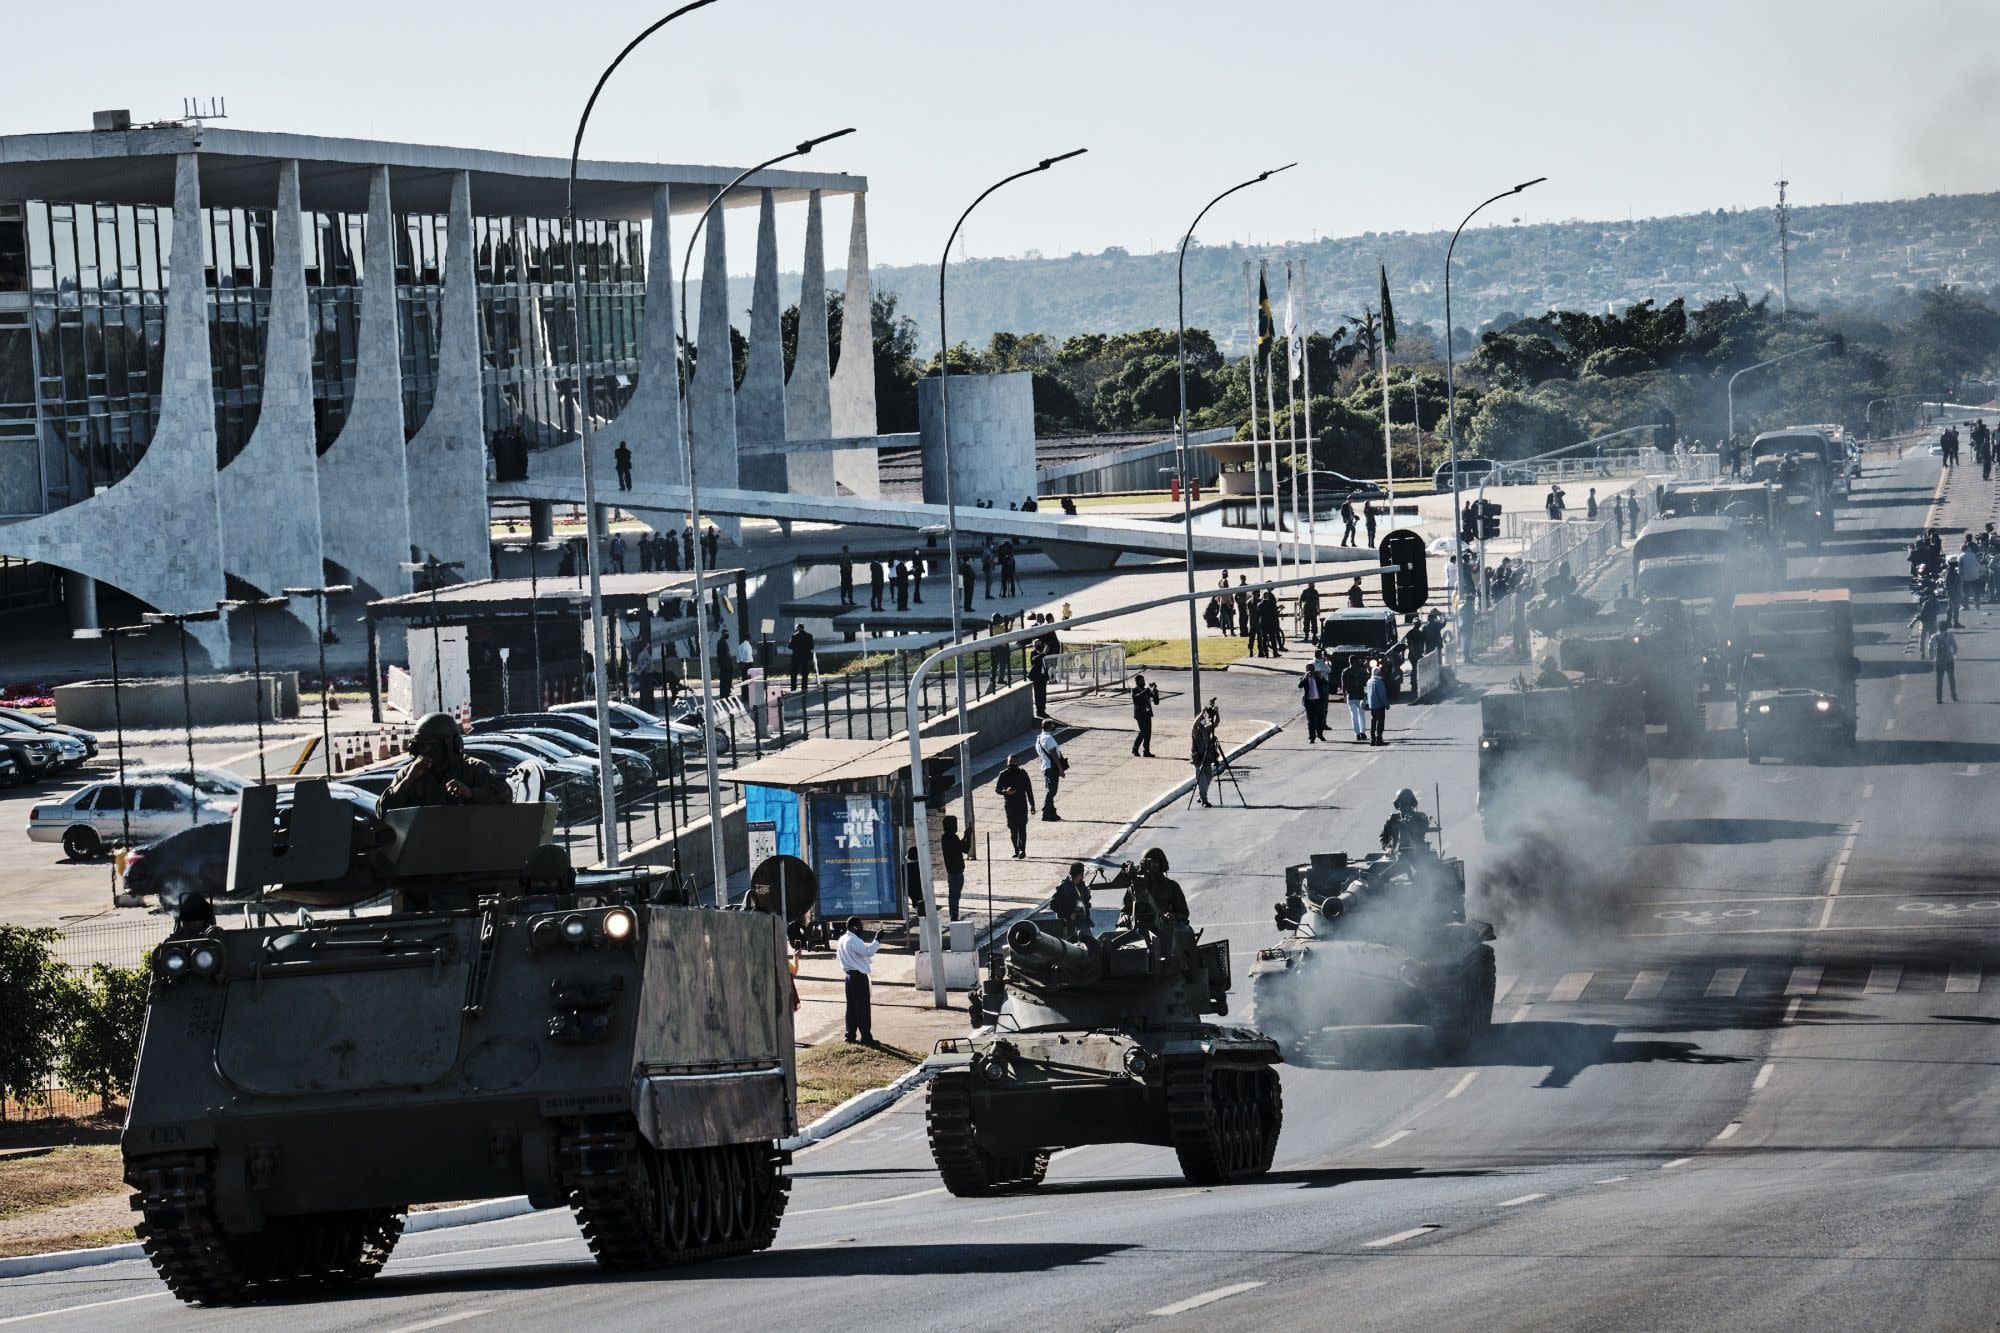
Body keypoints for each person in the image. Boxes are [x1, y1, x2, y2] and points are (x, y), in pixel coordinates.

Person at [378, 712, 512, 815]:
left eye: (432, 745)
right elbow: (382, 811)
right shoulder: (409, 774)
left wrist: (471, 794)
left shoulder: (474, 770)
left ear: (451, 746)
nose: (426, 750)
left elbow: (505, 797)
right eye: (422, 745)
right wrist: (408, 781)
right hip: (422, 844)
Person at [1112, 848, 1189, 932]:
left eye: (1155, 863)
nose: (1152, 867)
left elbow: (1183, 913)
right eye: (1148, 863)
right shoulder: (1136, 886)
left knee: (1183, 931)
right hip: (1138, 931)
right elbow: (1125, 911)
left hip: (1164, 930)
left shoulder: (1171, 886)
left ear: (1162, 864)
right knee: (1120, 931)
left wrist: (1172, 916)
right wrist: (1125, 917)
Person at [835, 916, 880, 1043]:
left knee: (852, 1007)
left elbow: (839, 957)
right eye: (860, 925)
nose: (862, 928)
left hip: (848, 976)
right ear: (854, 926)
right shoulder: (853, 940)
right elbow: (868, 951)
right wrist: (877, 940)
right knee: (862, 1007)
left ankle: (850, 1036)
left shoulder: (842, 939)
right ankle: (866, 1036)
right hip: (858, 977)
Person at [995, 755, 1035, 858]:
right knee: (1013, 829)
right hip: (1009, 806)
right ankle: (1016, 850)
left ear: (1017, 763)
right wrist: (1005, 792)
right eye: (1010, 762)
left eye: (1014, 762)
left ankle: (1022, 849)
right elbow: (997, 789)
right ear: (1007, 763)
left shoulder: (1022, 773)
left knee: (1022, 828)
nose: (1011, 764)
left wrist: (1032, 805)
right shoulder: (1003, 774)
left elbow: (1029, 790)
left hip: (1022, 805)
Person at [1380, 788, 1434, 855]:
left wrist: (1410, 823)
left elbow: (1422, 829)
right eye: (1402, 802)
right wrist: (1388, 847)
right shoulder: (1393, 818)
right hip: (1395, 854)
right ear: (1398, 803)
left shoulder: (1420, 817)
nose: (1405, 805)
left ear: (1412, 803)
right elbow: (1384, 836)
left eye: (1407, 802)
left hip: (1419, 854)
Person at [1050, 861, 1093, 939]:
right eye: (1081, 875)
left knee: (1090, 943)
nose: (1082, 877)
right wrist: (1068, 915)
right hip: (1070, 924)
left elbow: (1081, 901)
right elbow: (1053, 905)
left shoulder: (1080, 885)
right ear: (1076, 875)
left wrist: (1087, 895)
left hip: (1082, 920)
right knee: (1074, 945)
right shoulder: (1064, 887)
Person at [1034, 717, 1066, 820]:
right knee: (1052, 790)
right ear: (1050, 726)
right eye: (1053, 725)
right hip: (1051, 767)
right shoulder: (1048, 738)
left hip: (1045, 767)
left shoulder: (1039, 739)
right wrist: (1060, 769)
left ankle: (1052, 812)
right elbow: (1054, 755)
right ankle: (1046, 811)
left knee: (1049, 789)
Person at [941, 815, 970, 920]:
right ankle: (954, 916)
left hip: (953, 872)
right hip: (956, 872)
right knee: (955, 896)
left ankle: (953, 915)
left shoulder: (947, 837)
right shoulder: (951, 837)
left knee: (953, 895)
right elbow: (965, 849)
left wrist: (966, 837)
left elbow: (959, 847)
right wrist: (968, 836)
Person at [1191, 707, 1221, 806]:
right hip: (1199, 759)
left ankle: (1201, 795)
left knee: (1208, 778)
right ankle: (1204, 800)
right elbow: (1194, 725)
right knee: (1201, 780)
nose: (1203, 720)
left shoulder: (1207, 729)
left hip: (1207, 758)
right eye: (1201, 719)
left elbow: (1216, 722)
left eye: (1204, 718)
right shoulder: (1195, 731)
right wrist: (1202, 712)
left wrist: (1216, 712)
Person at [1129, 672, 1161, 757]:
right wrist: (1147, 689)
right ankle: (1135, 748)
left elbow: (1156, 702)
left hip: (1147, 714)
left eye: (1143, 680)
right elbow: (1136, 699)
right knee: (1143, 732)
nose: (1143, 682)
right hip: (1139, 714)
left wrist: (1155, 691)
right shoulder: (1134, 690)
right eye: (1141, 681)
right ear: (1137, 682)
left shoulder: (1145, 691)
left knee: (1148, 733)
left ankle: (1146, 751)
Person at [1340, 654, 1369, 742]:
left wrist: (1344, 695)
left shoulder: (1345, 671)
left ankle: (1357, 734)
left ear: (1349, 662)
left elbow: (1343, 684)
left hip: (1351, 695)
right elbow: (1366, 682)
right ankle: (1363, 732)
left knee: (1354, 716)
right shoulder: (1361, 670)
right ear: (1356, 661)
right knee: (1362, 715)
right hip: (1360, 695)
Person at [1298, 659, 1329, 742]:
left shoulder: (1318, 677)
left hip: (1318, 701)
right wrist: (1305, 677)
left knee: (1320, 719)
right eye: (1309, 669)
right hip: (1309, 702)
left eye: (1312, 669)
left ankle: (1320, 734)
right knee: (1310, 721)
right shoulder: (1304, 678)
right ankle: (1312, 737)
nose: (1311, 671)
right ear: (1306, 670)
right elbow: (1299, 686)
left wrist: (1321, 676)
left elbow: (1327, 684)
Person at [1365, 661, 1390, 746]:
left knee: (1373, 722)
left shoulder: (1369, 682)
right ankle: (1379, 740)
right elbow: (1382, 695)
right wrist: (1386, 704)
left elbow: (1367, 693)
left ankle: (1372, 740)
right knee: (1380, 723)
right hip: (1379, 706)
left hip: (1372, 705)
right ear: (1379, 673)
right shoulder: (1379, 682)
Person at [1933, 622, 1959, 703]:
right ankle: (1954, 696)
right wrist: (1954, 654)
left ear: (1938, 628)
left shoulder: (1934, 636)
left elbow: (1929, 647)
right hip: (1949, 660)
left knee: (1939, 680)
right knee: (1951, 678)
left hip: (1938, 660)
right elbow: (1955, 647)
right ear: (1946, 628)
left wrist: (1932, 657)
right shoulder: (1950, 635)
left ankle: (1939, 698)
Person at [788, 622, 815, 691]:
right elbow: (812, 646)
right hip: (805, 656)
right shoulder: (809, 635)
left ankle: (793, 688)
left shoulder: (793, 636)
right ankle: (804, 687)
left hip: (796, 656)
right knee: (805, 672)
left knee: (794, 673)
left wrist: (797, 647)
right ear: (803, 628)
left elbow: (790, 646)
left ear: (797, 628)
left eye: (795, 628)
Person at [1028, 646, 1052, 718]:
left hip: (1043, 677)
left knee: (1043, 695)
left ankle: (1043, 710)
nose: (1039, 645)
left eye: (1039, 643)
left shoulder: (1044, 653)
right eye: (1037, 644)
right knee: (1038, 695)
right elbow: (1034, 660)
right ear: (1034, 646)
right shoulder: (1033, 653)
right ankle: (1039, 711)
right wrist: (1043, 653)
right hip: (1037, 678)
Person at [903, 846, 926, 920]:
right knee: (920, 902)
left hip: (911, 889)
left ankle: (919, 915)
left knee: (916, 902)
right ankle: (921, 916)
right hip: (920, 888)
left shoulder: (905, 866)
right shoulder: (920, 865)